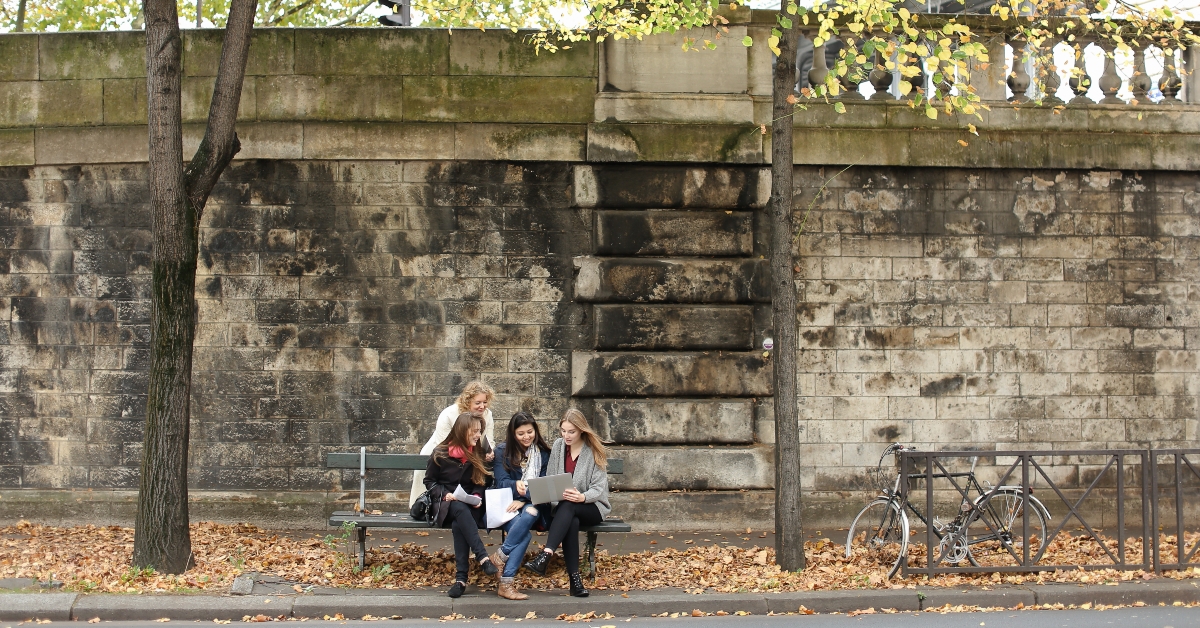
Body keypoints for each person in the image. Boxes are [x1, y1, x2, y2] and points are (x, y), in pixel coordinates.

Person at [522, 409, 610, 598]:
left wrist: (582, 497)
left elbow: (599, 487)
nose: (566, 435)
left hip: (592, 505)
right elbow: (552, 477)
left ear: (581, 431)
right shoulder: (559, 446)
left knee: (569, 506)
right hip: (565, 507)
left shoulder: (594, 449)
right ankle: (575, 583)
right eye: (563, 430)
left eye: (571, 431)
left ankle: (546, 553)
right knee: (571, 519)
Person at [423, 412, 498, 598]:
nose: (478, 435)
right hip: (445, 504)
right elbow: (430, 481)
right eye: (475, 431)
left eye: (480, 431)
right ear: (462, 430)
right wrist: (445, 494)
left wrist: (477, 496)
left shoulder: (477, 452)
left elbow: (481, 482)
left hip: (470, 504)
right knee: (457, 508)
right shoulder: (440, 453)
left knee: (460, 521)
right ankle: (482, 557)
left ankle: (461, 579)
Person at [489, 411, 552, 600]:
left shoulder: (544, 454)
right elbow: (501, 482)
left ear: (536, 431)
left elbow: (544, 486)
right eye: (521, 433)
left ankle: (500, 556)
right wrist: (516, 488)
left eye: (530, 432)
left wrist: (523, 499)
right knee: (523, 534)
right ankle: (506, 583)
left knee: (531, 512)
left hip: (534, 503)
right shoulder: (502, 451)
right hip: (506, 504)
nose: (526, 437)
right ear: (513, 434)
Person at [410, 381, 496, 508]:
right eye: (477, 403)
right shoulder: (449, 414)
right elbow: (443, 444)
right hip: (440, 457)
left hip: (467, 457)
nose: (482, 406)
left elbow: (488, 438)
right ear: (467, 401)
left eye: (485, 402)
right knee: (427, 497)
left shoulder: (488, 415)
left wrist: (489, 451)